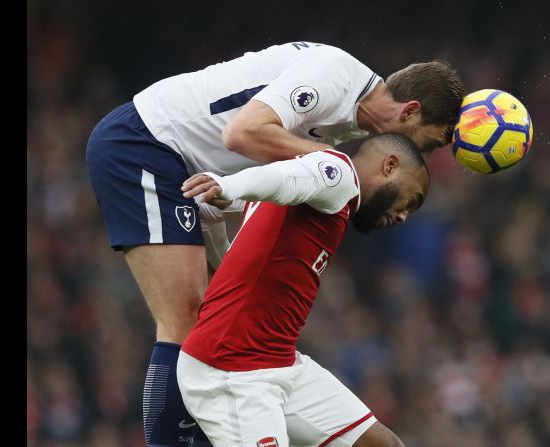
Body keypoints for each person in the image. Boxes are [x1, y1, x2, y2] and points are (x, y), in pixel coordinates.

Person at [86, 41, 463, 446]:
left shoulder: (347, 124)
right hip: (147, 144)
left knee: (215, 320)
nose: (422, 156)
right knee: (187, 321)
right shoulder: (335, 77)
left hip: (187, 169)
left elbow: (275, 180)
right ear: (410, 111)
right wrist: (333, 168)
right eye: (430, 142)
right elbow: (241, 133)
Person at [177, 133, 428, 447]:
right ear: (390, 166)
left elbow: (213, 216)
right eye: (411, 199)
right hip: (232, 370)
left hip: (279, 361)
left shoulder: (315, 198)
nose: (404, 215)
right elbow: (281, 179)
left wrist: (228, 199)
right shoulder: (338, 175)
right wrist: (227, 185)